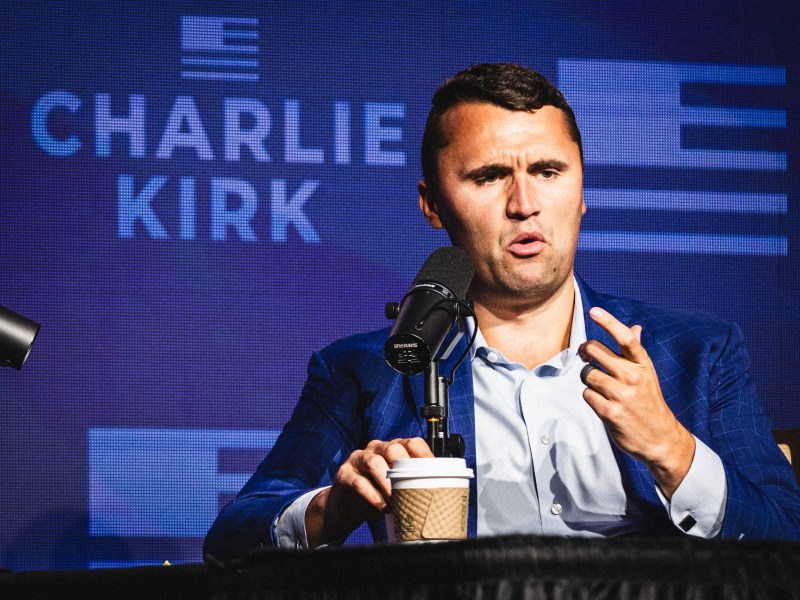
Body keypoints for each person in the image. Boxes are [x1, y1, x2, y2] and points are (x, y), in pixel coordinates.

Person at [203, 63, 800, 559]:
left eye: (547, 171)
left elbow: (785, 534)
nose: (524, 203)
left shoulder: (699, 351)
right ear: (433, 205)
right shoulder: (366, 368)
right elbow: (231, 540)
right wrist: (332, 509)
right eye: (489, 177)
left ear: (582, 190)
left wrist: (674, 450)